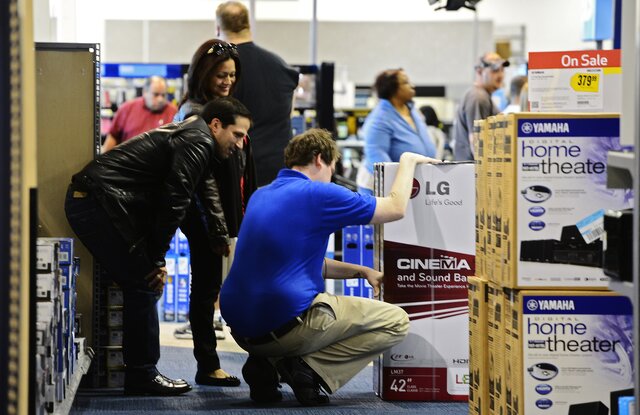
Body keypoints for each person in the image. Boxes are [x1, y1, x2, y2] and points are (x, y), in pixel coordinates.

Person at [220, 128, 440, 406]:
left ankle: (266, 363)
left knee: (294, 304)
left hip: (241, 331)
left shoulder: (261, 195)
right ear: (319, 159)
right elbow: (395, 208)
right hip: (284, 326)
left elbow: (297, 261)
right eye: (333, 167)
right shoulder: (320, 193)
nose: (332, 174)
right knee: (395, 321)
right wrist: (408, 161)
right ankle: (308, 371)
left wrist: (361, 271)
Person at [64, 97, 252, 396]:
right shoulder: (199, 141)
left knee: (141, 282)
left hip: (100, 201)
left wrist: (217, 235)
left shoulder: (197, 136)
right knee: (145, 282)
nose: (240, 145)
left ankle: (139, 373)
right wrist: (156, 260)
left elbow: (200, 192)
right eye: (237, 135)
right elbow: (175, 201)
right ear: (216, 125)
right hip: (98, 202)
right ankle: (142, 375)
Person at [172, 38, 257, 387]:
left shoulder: (224, 110)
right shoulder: (194, 116)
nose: (227, 81)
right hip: (207, 222)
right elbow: (201, 184)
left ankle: (250, 362)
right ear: (203, 73)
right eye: (221, 74)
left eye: (232, 75)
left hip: (230, 218)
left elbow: (241, 170)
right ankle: (207, 365)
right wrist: (216, 230)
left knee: (219, 290)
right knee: (206, 292)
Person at [216, 1, 299, 187]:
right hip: (282, 171)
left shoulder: (221, 69)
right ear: (248, 26)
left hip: (240, 174)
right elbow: (289, 113)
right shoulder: (280, 65)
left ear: (218, 28)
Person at [356, 69, 436, 194]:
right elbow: (377, 157)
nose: (412, 86)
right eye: (406, 83)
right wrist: (397, 187)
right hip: (383, 189)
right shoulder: (380, 118)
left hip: (414, 183)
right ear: (393, 89)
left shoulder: (412, 110)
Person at [452, 52, 509, 160]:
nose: (500, 75)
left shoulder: (481, 95)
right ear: (479, 71)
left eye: (502, 70)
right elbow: (477, 143)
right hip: (473, 168)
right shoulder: (478, 97)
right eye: (495, 70)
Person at [101, 75, 177, 153]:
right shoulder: (126, 109)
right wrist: (104, 158)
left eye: (163, 95)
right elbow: (113, 136)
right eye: (156, 94)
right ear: (145, 92)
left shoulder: (174, 112)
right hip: (129, 159)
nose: (160, 99)